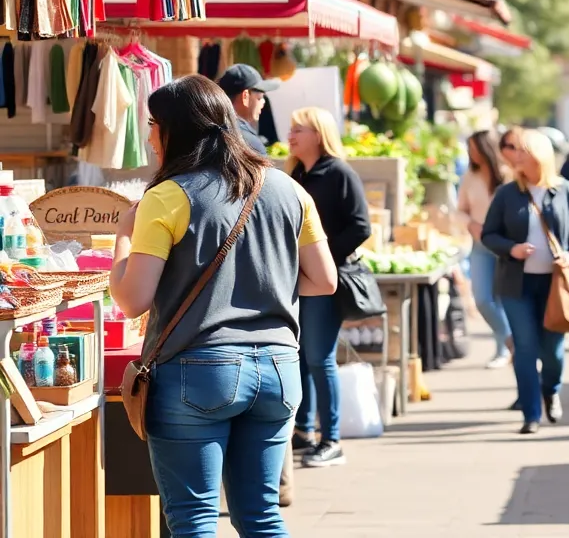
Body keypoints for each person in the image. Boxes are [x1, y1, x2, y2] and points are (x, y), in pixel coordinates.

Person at [108, 75, 337, 536]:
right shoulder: (288, 189)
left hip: (198, 369)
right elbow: (324, 281)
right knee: (262, 516)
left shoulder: (167, 197)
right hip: (277, 367)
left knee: (193, 520)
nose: (150, 136)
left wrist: (124, 236)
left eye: (153, 124)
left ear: (174, 129)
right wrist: (262, 286)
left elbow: (132, 299)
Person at [482, 129, 569, 434]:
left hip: (556, 286)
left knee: (553, 351)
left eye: (523, 151)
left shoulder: (565, 190)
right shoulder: (507, 193)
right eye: (516, 150)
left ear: (539, 156)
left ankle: (551, 388)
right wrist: (511, 249)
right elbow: (488, 234)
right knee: (525, 348)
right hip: (517, 286)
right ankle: (531, 414)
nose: (516, 156)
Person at [286, 107, 372, 468]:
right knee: (302, 356)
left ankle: (332, 438)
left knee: (320, 358)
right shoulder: (296, 174)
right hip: (297, 279)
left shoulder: (339, 172)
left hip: (324, 280)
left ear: (318, 134)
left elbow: (361, 226)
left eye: (298, 129)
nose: (290, 135)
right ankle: (304, 431)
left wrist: (321, 257)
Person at [459, 130, 514, 369]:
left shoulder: (509, 174)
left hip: (505, 245)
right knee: (482, 299)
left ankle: (503, 349)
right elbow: (459, 209)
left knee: (503, 300)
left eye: (474, 147)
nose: (471, 153)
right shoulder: (470, 176)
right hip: (480, 244)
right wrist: (471, 224)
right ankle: (510, 340)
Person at [217, 64, 281, 156]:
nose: (263, 103)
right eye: (260, 98)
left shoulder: (207, 132)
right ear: (245, 96)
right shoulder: (250, 144)